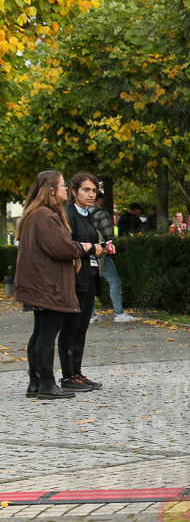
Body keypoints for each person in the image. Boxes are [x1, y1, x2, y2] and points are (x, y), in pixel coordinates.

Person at [14, 171, 93, 400]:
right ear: (50, 189)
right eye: (62, 184)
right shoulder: (44, 215)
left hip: (39, 282)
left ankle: (36, 383)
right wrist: (84, 248)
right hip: (47, 284)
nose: (65, 188)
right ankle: (46, 385)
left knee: (40, 332)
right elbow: (62, 248)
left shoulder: (36, 214)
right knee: (47, 333)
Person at [56, 173, 106, 392]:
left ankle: (76, 372)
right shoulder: (68, 214)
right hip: (74, 279)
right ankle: (68, 375)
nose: (91, 194)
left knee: (82, 328)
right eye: (86, 190)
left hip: (89, 278)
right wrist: (90, 249)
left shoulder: (88, 214)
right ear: (74, 192)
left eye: (94, 190)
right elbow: (68, 245)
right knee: (70, 328)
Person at [86, 186, 135, 323]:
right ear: (100, 200)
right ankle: (119, 313)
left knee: (90, 283)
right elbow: (108, 233)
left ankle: (91, 315)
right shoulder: (101, 214)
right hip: (101, 250)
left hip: (88, 250)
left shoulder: (84, 213)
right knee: (114, 281)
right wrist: (110, 245)